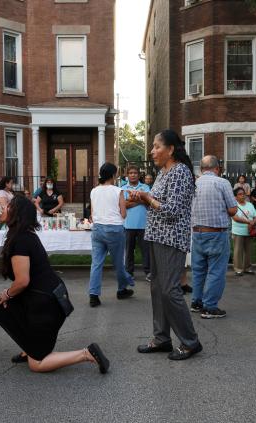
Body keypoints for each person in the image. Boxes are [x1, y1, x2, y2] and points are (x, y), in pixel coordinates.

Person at [0, 196, 109, 373]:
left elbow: (22, 281)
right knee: (0, 308)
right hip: (48, 298)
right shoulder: (25, 235)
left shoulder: (20, 240)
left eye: (7, 206)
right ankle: (29, 347)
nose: (2, 208)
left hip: (46, 304)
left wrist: (7, 293)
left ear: (17, 214)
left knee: (37, 364)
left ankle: (87, 354)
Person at [130, 129, 202, 360]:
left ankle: (190, 342)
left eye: (156, 146)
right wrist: (143, 197)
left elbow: (173, 210)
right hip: (156, 236)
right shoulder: (163, 172)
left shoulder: (180, 172)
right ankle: (161, 338)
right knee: (157, 288)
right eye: (152, 147)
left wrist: (147, 198)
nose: (152, 151)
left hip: (170, 238)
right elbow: (158, 202)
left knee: (170, 290)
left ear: (171, 149)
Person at [187, 155, 237, 317]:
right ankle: (210, 307)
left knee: (198, 270)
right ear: (217, 168)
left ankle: (197, 301)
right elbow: (233, 210)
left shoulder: (192, 183)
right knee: (216, 271)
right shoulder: (222, 183)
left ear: (201, 169)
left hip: (197, 232)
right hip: (216, 233)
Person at [87, 163, 134, 307]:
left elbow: (93, 213)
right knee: (118, 262)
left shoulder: (94, 191)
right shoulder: (118, 190)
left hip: (97, 228)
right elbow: (124, 214)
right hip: (114, 228)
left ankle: (94, 295)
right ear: (113, 175)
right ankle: (122, 288)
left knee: (96, 263)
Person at [121, 165, 151, 282]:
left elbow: (149, 202)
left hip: (143, 225)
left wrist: (132, 199)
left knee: (146, 251)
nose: (133, 175)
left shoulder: (145, 187)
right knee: (129, 251)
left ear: (139, 175)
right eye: (130, 173)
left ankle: (148, 272)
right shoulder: (123, 188)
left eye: (135, 173)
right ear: (127, 175)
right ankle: (129, 272)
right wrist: (140, 200)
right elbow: (123, 205)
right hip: (128, 225)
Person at [231, 187, 256, 277]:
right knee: (238, 251)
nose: (243, 196)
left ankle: (248, 268)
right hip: (238, 231)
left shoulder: (250, 204)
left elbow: (255, 216)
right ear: (235, 197)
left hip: (249, 231)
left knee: (249, 251)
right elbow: (235, 218)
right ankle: (238, 269)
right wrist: (248, 222)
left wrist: (253, 222)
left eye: (243, 194)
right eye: (240, 194)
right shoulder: (234, 206)